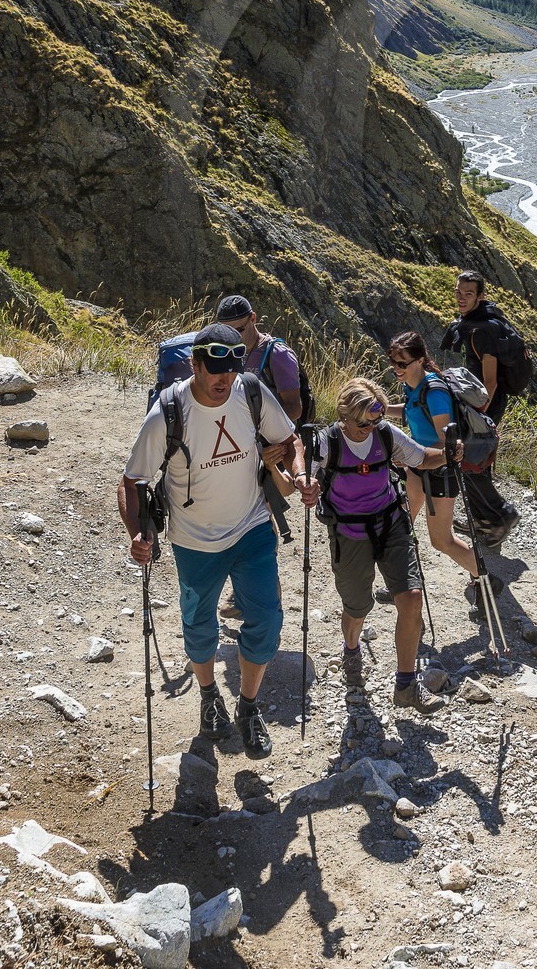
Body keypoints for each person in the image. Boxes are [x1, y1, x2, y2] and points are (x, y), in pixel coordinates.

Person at [119, 324, 300, 760]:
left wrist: (299, 473)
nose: (224, 380)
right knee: (199, 627)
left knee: (267, 620)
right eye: (215, 370)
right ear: (194, 365)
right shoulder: (168, 413)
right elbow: (132, 481)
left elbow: (288, 438)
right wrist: (138, 533)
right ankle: (208, 696)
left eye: (231, 371)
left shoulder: (250, 391)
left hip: (252, 526)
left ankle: (248, 706)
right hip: (194, 540)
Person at [299, 377, 461, 713]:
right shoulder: (327, 442)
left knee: (411, 597)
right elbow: (306, 474)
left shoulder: (385, 433)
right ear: (344, 416)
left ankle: (406, 685)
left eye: (376, 421)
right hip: (349, 534)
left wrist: (447, 454)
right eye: (363, 424)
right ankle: (351, 648)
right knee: (357, 608)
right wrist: (307, 485)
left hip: (392, 525)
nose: (370, 429)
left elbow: (420, 457)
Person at [386, 331, 502, 621]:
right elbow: (412, 412)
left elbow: (446, 444)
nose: (396, 368)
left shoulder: (435, 392)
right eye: (393, 362)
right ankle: (403, 585)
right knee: (401, 526)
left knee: (442, 541)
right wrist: (381, 409)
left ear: (419, 360)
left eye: (402, 363)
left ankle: (485, 580)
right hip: (418, 468)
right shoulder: (412, 386)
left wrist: (410, 455)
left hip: (439, 472)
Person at [440, 270, 521, 547]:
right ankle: (482, 521)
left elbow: (490, 380)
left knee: (471, 461)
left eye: (468, 293)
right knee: (470, 461)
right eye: (458, 292)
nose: (461, 298)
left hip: (486, 403)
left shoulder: (484, 331)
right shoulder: (474, 322)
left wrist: (480, 415)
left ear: (480, 296)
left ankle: (503, 515)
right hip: (477, 402)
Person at [216, 294, 303, 426]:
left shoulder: (278, 354)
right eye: (227, 332)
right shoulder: (224, 352)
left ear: (253, 318)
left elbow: (294, 408)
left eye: (239, 330)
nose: (233, 337)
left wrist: (256, 426)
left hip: (270, 435)